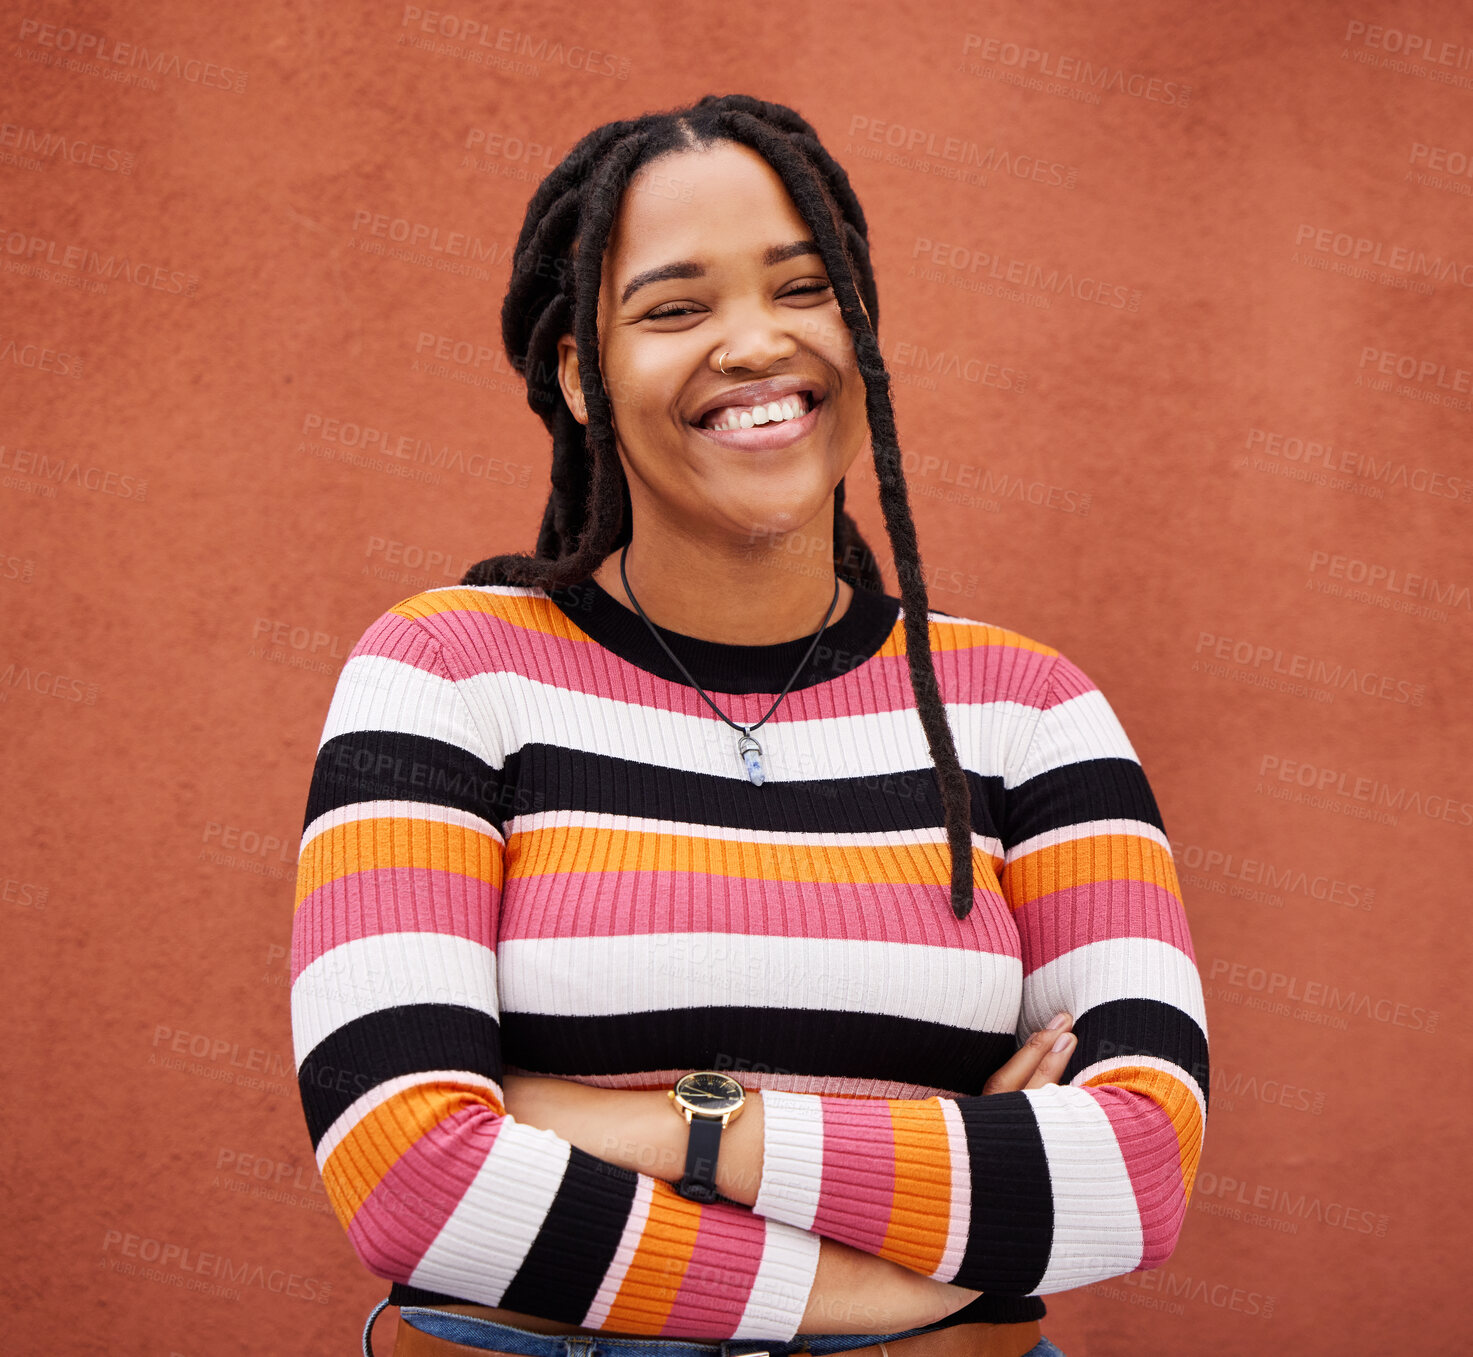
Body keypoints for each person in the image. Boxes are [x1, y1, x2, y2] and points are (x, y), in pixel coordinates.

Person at [289, 94, 1208, 1357]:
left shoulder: (1031, 713)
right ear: (579, 373)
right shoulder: (445, 674)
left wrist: (677, 1125)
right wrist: (892, 1284)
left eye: (804, 289)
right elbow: (408, 1175)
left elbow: (1139, 1168)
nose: (754, 343)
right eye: (675, 308)